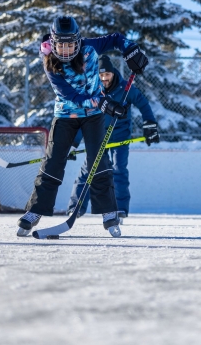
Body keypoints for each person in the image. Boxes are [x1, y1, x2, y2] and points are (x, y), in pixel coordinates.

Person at [16, 16, 148, 238]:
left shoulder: (89, 47)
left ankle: (109, 212)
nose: (66, 49)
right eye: (61, 44)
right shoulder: (50, 63)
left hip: (93, 117)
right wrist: (103, 102)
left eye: (70, 44)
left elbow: (116, 39)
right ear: (53, 42)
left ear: (78, 41)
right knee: (53, 162)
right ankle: (35, 210)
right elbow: (72, 96)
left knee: (99, 160)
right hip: (66, 115)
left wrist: (131, 50)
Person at [67, 54, 159, 221]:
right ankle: (76, 207)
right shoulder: (92, 90)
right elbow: (83, 116)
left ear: (113, 73)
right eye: (101, 75)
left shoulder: (126, 88)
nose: (104, 78)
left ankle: (120, 209)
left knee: (119, 171)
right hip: (97, 138)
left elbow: (143, 104)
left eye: (107, 75)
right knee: (89, 171)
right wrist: (73, 143)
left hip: (120, 139)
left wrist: (150, 124)